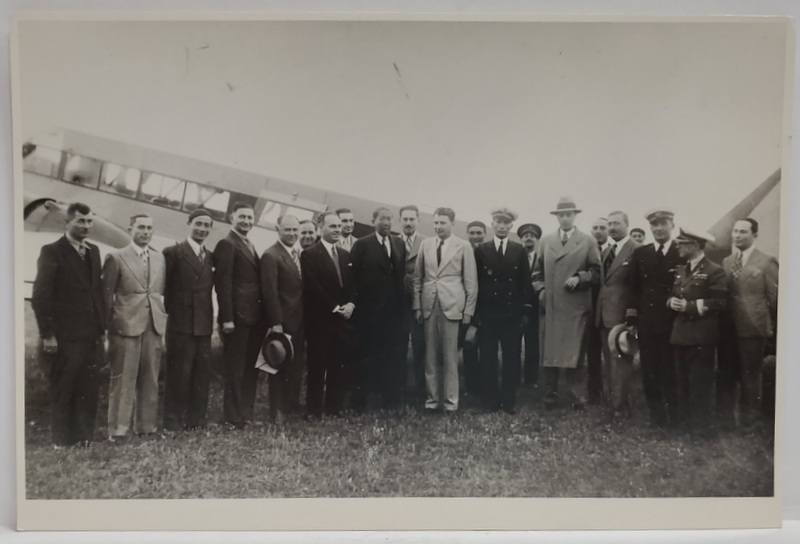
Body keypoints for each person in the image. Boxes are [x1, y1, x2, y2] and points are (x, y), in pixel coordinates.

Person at [31, 202, 105, 447]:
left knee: (87, 387)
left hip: (91, 334)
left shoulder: (93, 252)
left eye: (89, 221)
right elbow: (41, 296)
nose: (86, 226)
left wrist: (101, 330)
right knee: (64, 387)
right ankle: (61, 440)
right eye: (80, 221)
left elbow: (97, 294)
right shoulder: (52, 251)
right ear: (68, 222)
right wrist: (48, 334)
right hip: (64, 336)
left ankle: (84, 437)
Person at [532, 197, 601, 410]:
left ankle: (577, 396)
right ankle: (550, 395)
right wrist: (542, 291)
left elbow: (597, 272)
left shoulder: (587, 241)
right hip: (551, 306)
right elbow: (535, 273)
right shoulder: (545, 240)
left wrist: (581, 278)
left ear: (575, 216)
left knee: (575, 353)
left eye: (568, 214)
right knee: (550, 352)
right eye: (561, 215)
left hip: (575, 307)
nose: (564, 218)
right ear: (557, 217)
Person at [103, 213, 167, 439]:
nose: (146, 232)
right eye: (141, 227)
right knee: (123, 379)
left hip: (153, 326)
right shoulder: (116, 257)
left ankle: (147, 426)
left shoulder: (160, 258)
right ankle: (118, 429)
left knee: (150, 376)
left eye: (150, 228)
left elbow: (159, 293)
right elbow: (106, 296)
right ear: (130, 228)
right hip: (125, 325)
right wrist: (109, 327)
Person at [413, 207, 477, 413]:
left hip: (452, 306)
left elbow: (471, 283)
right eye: (436, 223)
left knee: (450, 356)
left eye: (443, 223)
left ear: (452, 224)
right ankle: (432, 401)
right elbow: (418, 279)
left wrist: (468, 310)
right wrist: (417, 306)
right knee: (430, 356)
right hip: (429, 305)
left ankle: (451, 402)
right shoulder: (425, 245)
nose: (438, 227)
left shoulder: (463, 246)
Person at [625, 208, 683, 429]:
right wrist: (632, 318)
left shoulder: (681, 251)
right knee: (650, 370)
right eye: (654, 225)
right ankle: (657, 417)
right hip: (648, 322)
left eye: (663, 224)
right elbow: (633, 288)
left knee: (671, 369)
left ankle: (675, 417)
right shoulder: (642, 254)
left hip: (674, 321)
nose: (658, 228)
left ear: (672, 225)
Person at [668, 227, 727, 437]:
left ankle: (702, 430)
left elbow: (720, 302)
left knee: (700, 384)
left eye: (681, 242)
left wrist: (689, 307)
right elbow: (675, 294)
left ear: (694, 245)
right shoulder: (682, 269)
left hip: (702, 337)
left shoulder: (714, 270)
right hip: (681, 335)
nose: (677, 246)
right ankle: (686, 426)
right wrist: (671, 302)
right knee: (682, 382)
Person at [721, 218, 778, 431]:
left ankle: (750, 421)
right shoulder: (727, 261)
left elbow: (775, 299)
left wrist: (763, 324)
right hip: (728, 328)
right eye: (735, 231)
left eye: (743, 232)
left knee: (750, 374)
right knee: (729, 372)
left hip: (753, 328)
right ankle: (728, 419)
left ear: (754, 235)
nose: (737, 235)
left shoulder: (766, 261)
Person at [474, 207, 533, 413]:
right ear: (492, 225)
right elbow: (477, 283)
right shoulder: (482, 250)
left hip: (512, 314)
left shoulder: (519, 250)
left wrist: (525, 310)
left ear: (511, 226)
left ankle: (508, 402)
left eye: (505, 223)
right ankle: (490, 401)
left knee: (511, 358)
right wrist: (477, 312)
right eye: (497, 222)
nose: (501, 226)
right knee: (488, 358)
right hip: (488, 313)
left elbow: (525, 282)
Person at [213, 202, 265, 429]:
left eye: (249, 217)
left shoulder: (249, 243)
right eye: (242, 217)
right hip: (237, 318)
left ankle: (246, 414)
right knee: (235, 369)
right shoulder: (227, 244)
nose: (246, 221)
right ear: (231, 217)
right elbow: (223, 284)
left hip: (252, 317)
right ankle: (233, 417)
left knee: (249, 367)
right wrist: (227, 318)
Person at [162, 209, 215, 432]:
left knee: (201, 374)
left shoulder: (211, 256)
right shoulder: (173, 252)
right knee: (178, 374)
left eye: (206, 225)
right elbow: (165, 289)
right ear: (189, 224)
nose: (202, 229)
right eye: (198, 224)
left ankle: (196, 420)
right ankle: (172, 420)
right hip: (181, 324)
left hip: (203, 324)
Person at [350, 207, 407, 412]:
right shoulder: (362, 245)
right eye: (382, 219)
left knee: (390, 355)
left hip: (393, 313)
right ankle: (360, 401)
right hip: (369, 313)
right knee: (366, 355)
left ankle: (389, 398)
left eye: (389, 219)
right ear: (373, 220)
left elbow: (400, 278)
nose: (386, 223)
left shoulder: (398, 243)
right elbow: (353, 280)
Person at [301, 212, 356, 417]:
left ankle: (334, 407)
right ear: (320, 227)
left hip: (343, 320)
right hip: (321, 319)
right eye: (332, 226)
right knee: (317, 365)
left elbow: (352, 284)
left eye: (339, 226)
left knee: (338, 364)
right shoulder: (310, 254)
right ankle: (313, 409)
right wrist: (334, 307)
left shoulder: (344, 254)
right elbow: (313, 285)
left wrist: (351, 304)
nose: (337, 229)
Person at [261, 215, 305, 424]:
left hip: (298, 321)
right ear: (278, 229)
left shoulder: (295, 253)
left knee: (293, 366)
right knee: (277, 366)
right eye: (287, 230)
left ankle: (288, 407)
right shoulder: (271, 255)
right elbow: (269, 292)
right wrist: (276, 322)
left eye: (295, 230)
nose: (292, 234)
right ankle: (277, 412)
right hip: (283, 322)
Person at [595, 211, 639, 417]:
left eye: (616, 224)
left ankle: (620, 406)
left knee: (621, 359)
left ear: (627, 225)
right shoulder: (607, 250)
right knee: (609, 358)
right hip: (604, 314)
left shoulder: (636, 250)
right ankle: (614, 400)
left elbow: (637, 285)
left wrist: (631, 315)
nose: (612, 228)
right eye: (609, 224)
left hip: (621, 315)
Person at [399, 205, 427, 398]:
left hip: (419, 301)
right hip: (398, 302)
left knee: (420, 344)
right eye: (405, 219)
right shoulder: (392, 241)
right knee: (398, 344)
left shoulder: (427, 242)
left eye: (412, 219)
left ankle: (420, 387)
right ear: (399, 221)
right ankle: (398, 387)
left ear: (418, 220)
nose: (408, 223)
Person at [462, 220, 487, 397]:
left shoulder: (489, 252)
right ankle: (471, 388)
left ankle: (484, 386)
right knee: (468, 347)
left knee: (486, 349)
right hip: (466, 306)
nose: (476, 236)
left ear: (485, 234)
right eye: (472, 232)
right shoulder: (463, 252)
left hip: (486, 307)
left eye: (479, 232)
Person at [586, 217, 609, 403]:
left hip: (610, 310)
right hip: (590, 308)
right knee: (592, 352)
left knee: (611, 353)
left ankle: (613, 392)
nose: (598, 231)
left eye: (602, 227)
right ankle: (594, 391)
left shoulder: (613, 251)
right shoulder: (585, 250)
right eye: (595, 227)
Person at [517, 222, 542, 387]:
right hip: (517, 307)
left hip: (536, 306)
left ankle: (531, 379)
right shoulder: (515, 256)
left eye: (532, 236)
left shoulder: (541, 257)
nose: (529, 239)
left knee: (533, 344)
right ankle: (514, 376)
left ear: (537, 240)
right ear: (521, 239)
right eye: (526, 236)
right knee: (514, 344)